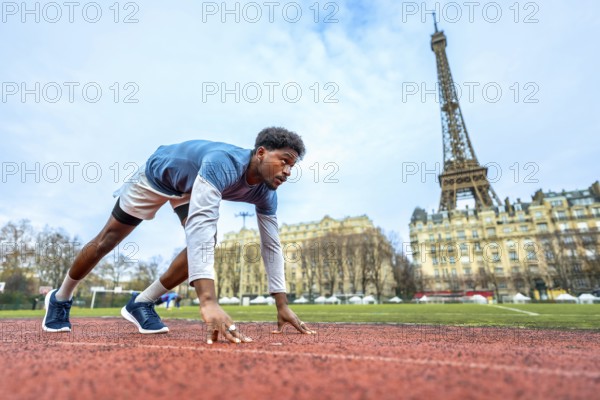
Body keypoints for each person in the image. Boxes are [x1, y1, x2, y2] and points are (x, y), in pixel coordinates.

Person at [42, 127, 315, 343]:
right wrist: (208, 302)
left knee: (207, 243)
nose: (288, 171)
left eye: (293, 166)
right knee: (108, 240)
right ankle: (61, 297)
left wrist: (282, 304)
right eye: (284, 161)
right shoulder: (224, 163)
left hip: (191, 185)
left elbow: (271, 246)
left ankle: (141, 302)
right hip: (158, 176)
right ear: (261, 153)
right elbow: (202, 226)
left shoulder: (267, 193)